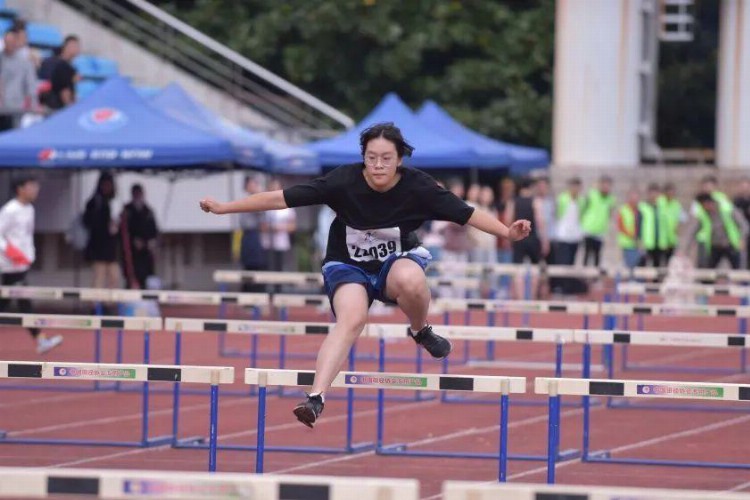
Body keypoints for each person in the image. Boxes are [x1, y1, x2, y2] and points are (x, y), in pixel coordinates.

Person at [199, 122, 531, 428]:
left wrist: (506, 231)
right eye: (371, 157)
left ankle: (420, 329)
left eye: (386, 158)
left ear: (400, 159)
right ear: (363, 158)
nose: (378, 165)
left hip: (394, 263)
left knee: (412, 279)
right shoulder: (343, 181)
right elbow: (281, 199)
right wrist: (225, 207)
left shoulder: (420, 187)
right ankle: (315, 398)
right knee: (352, 319)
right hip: (347, 265)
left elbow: (467, 213)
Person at [0, 176, 62, 354]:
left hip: (22, 265)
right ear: (20, 188)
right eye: (31, 186)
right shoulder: (10, 210)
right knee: (22, 301)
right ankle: (40, 340)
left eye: (36, 185)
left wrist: (29, 256)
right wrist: (10, 252)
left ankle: (40, 339)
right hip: (9, 265)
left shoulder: (30, 209)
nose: (35, 189)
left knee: (12, 302)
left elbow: (27, 237)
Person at [682, 193, 749, 270]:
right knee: (709, 269)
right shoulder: (704, 215)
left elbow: (744, 226)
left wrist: (742, 239)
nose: (704, 208)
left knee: (738, 268)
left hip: (731, 244)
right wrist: (685, 249)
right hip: (715, 246)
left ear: (709, 203)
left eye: (704, 205)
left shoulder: (727, 209)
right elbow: (693, 232)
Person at [504, 177, 546, 299]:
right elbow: (540, 221)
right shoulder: (535, 201)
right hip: (532, 237)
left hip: (518, 238)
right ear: (531, 187)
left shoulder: (513, 201)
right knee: (534, 269)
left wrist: (508, 237)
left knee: (518, 270)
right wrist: (544, 240)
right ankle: (531, 298)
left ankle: (520, 298)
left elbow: (508, 219)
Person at [84, 172, 119, 288]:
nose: (107, 188)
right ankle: (96, 304)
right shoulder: (94, 202)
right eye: (105, 185)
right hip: (98, 247)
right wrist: (104, 225)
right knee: (99, 277)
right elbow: (87, 222)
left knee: (114, 277)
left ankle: (109, 303)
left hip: (112, 248)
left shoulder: (114, 202)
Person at [120, 184, 158, 289]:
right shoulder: (127, 210)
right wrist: (133, 241)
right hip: (131, 253)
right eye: (135, 194)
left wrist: (151, 241)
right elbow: (122, 231)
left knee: (146, 278)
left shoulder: (148, 211)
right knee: (131, 277)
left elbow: (154, 230)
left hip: (145, 253)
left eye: (139, 194)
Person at [0, 27, 37, 131]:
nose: (9, 44)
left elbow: (31, 86)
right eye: (7, 42)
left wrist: (33, 106)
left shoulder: (25, 63)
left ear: (16, 42)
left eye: (12, 42)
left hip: (15, 109)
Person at [238, 176, 267, 291]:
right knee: (248, 266)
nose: (254, 186)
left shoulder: (258, 199)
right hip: (248, 234)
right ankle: (247, 295)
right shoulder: (246, 200)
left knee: (258, 266)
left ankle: (258, 295)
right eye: (252, 184)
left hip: (256, 235)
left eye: (255, 184)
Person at [261, 179, 296, 272]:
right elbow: (262, 226)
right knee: (269, 270)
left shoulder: (287, 207)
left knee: (281, 269)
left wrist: (278, 228)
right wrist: (270, 228)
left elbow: (292, 227)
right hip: (268, 245)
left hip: (282, 244)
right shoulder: (265, 206)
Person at [581, 175, 615, 267]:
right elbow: (584, 207)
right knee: (587, 254)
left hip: (600, 231)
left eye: (608, 185)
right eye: (603, 184)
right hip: (589, 229)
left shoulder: (611, 199)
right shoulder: (592, 194)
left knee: (597, 256)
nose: (605, 187)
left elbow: (610, 214)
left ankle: (595, 277)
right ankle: (585, 277)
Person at [46, 35, 80, 110]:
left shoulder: (69, 67)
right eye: (76, 46)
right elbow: (64, 91)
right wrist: (70, 108)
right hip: (57, 108)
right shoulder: (62, 66)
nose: (78, 49)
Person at [555, 177, 584, 266]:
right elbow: (558, 214)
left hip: (575, 234)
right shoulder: (562, 198)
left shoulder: (581, 200)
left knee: (572, 261)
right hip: (563, 234)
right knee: (563, 260)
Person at [638, 183, 668, 268]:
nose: (654, 196)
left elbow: (665, 225)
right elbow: (639, 224)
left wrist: (667, 240)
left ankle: (656, 281)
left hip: (659, 242)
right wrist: (640, 240)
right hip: (647, 242)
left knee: (657, 265)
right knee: (643, 264)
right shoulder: (643, 207)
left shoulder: (662, 207)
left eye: (656, 193)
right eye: (652, 193)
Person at [617, 188, 642, 271]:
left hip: (637, 243)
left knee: (638, 266)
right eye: (632, 197)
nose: (634, 199)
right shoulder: (623, 210)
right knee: (629, 266)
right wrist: (632, 236)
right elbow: (621, 226)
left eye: (636, 197)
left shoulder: (639, 210)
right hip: (627, 243)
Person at [660, 182, 684, 264]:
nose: (671, 194)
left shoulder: (676, 204)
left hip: (672, 239)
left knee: (669, 262)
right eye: (669, 191)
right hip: (660, 239)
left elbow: (681, 220)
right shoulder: (660, 202)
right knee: (658, 263)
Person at [733, 178, 750, 268]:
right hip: (741, 231)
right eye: (743, 186)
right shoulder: (737, 201)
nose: (745, 189)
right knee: (742, 255)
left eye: (747, 186)